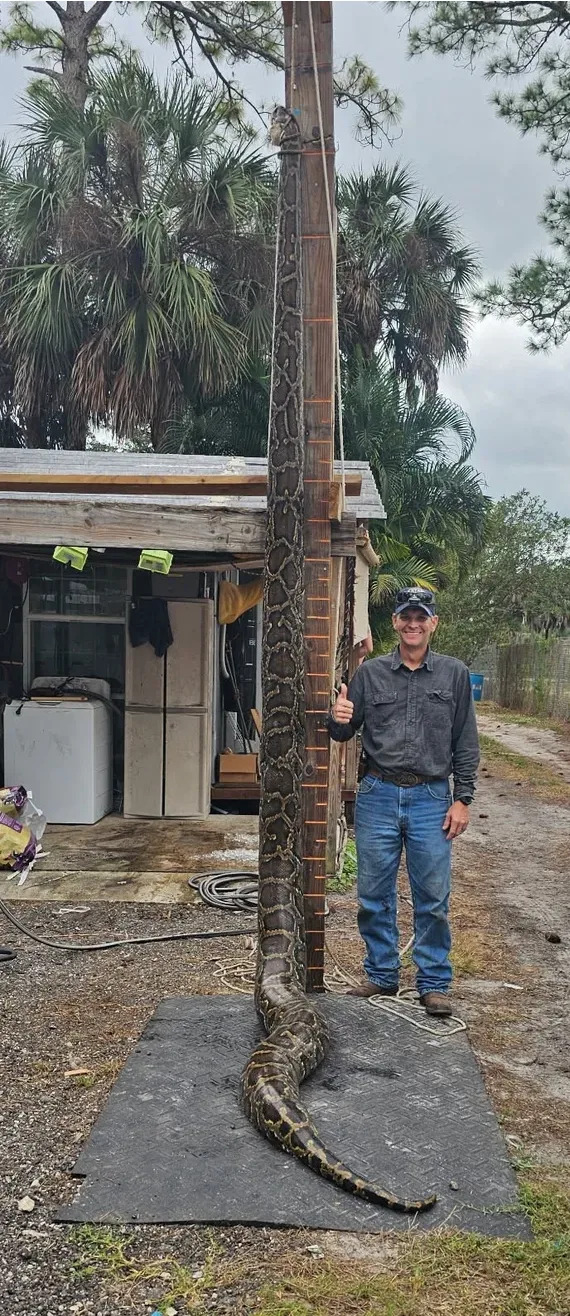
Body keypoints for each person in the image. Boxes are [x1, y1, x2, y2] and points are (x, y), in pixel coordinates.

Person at [328, 586, 480, 1017]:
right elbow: (343, 731)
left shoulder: (453, 674)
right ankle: (382, 975)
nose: (413, 623)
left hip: (432, 797)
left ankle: (433, 983)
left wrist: (462, 799)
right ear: (395, 621)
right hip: (378, 794)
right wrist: (335, 718)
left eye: (421, 617)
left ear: (433, 623)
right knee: (373, 893)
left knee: (432, 896)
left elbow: (465, 742)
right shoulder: (370, 674)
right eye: (405, 616)